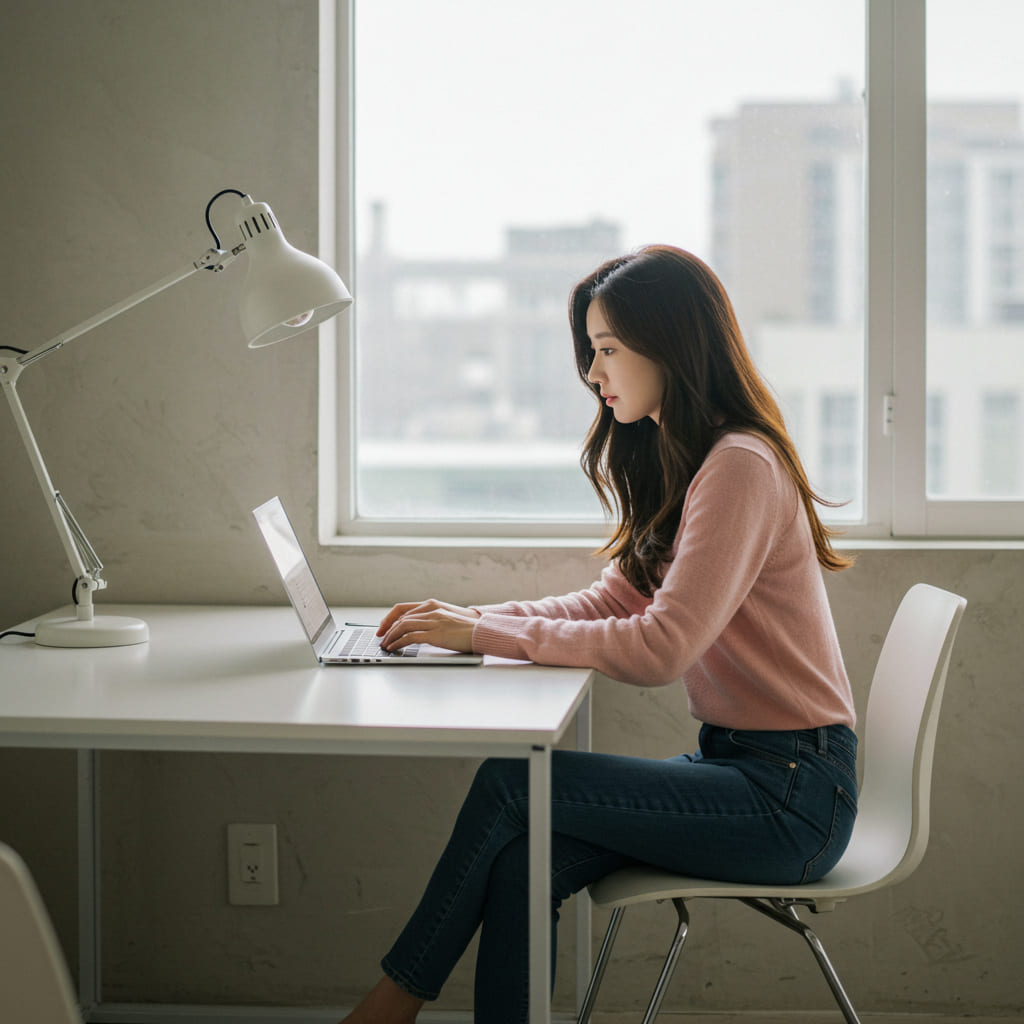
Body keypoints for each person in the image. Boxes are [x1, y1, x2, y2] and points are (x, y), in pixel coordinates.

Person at [340, 245, 858, 1024]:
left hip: (792, 798)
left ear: (672, 347)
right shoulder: (693, 460)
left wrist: (484, 634)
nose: (592, 372)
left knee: (512, 785)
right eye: (592, 351)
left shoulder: (740, 464)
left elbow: (659, 647)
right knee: (523, 859)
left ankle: (390, 1004)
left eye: (608, 350)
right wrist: (474, 626)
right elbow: (611, 601)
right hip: (745, 768)